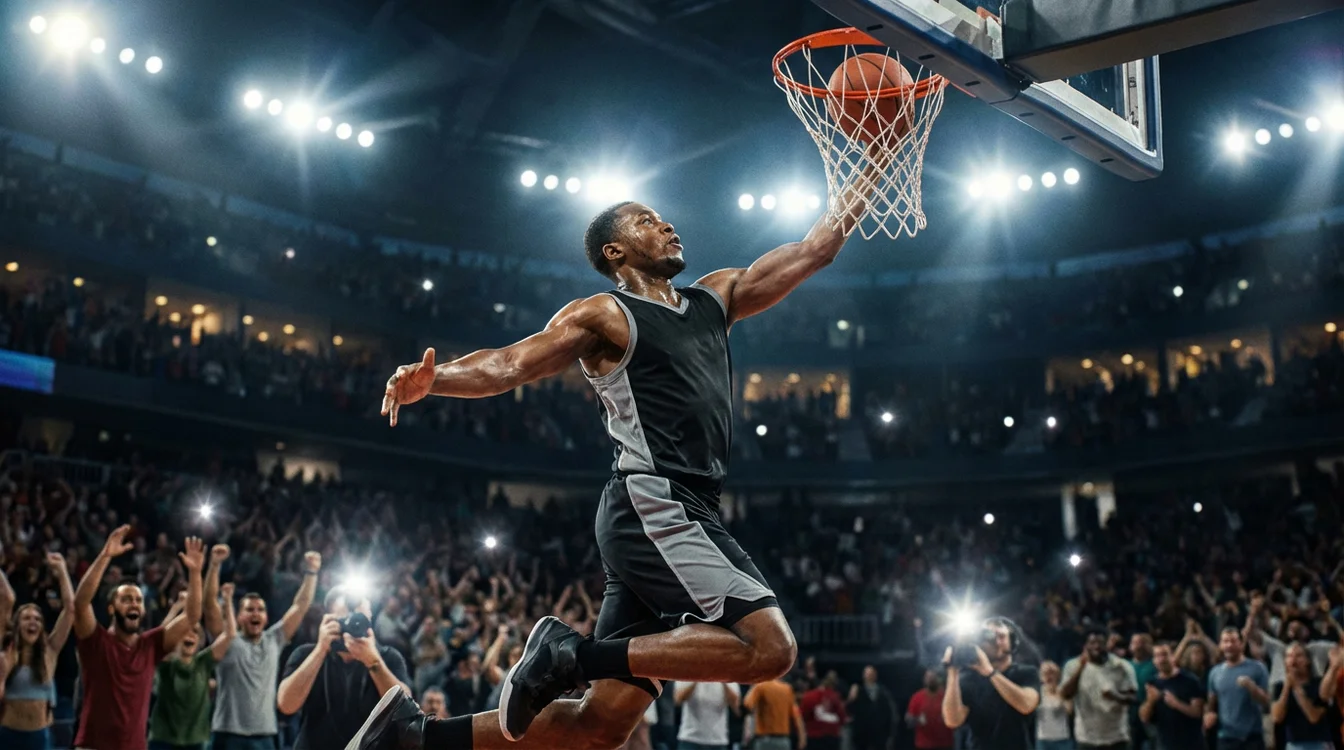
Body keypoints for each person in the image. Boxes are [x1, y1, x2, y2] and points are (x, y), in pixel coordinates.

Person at [351, 168, 880, 750]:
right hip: (655, 502)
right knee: (771, 648)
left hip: (678, 510)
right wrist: (438, 380)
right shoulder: (605, 314)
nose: (668, 224)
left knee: (597, 726)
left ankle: (415, 738)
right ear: (616, 249)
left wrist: (873, 163)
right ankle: (570, 656)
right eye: (647, 221)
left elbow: (815, 249)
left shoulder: (717, 296)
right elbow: (510, 364)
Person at [71, 529, 205, 750]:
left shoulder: (150, 645)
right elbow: (80, 604)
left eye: (138, 600)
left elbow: (192, 616)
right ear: (112, 608)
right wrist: (105, 556)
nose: (134, 603)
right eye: (126, 599)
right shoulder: (96, 641)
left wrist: (195, 573)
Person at [209, 546, 320, 750]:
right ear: (239, 616)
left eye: (260, 610)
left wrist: (311, 572)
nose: (255, 614)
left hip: (265, 737)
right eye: (249, 610)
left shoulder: (274, 640)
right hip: (227, 736)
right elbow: (210, 607)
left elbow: (300, 606)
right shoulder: (227, 640)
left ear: (266, 617)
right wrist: (215, 565)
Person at [276, 586, 411, 749]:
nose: (351, 626)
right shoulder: (306, 654)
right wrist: (321, 650)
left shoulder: (387, 657)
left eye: (359, 619)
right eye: (344, 620)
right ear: (327, 620)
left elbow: (405, 710)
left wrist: (374, 662)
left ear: (370, 619)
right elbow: (286, 705)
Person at [148, 584, 237, 750]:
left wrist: (227, 600)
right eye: (184, 631)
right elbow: (160, 637)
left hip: (196, 742)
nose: (189, 634)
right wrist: (177, 608)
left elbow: (230, 634)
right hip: (163, 741)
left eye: (195, 631)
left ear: (200, 640)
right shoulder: (167, 664)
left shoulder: (203, 662)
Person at [0, 554, 74, 750]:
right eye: (26, 618)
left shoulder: (50, 651)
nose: (32, 622)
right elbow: (7, 597)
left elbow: (70, 609)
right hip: (6, 735)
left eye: (37, 619)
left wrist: (62, 571)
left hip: (39, 738)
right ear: (16, 625)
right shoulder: (6, 651)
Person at [941, 617, 1041, 750]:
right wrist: (952, 674)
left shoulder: (1026, 673)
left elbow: (1026, 705)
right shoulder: (968, 679)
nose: (995, 642)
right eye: (988, 637)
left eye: (1001, 636)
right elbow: (952, 721)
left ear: (1013, 642)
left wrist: (990, 672)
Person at [1059, 629, 1138, 750]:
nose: (1096, 646)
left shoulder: (1122, 665)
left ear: (1108, 643)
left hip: (1117, 737)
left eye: (1100, 642)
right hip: (1087, 738)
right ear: (1085, 645)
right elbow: (1065, 694)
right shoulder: (1072, 665)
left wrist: (1115, 696)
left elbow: (1133, 698)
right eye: (1092, 643)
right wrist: (1081, 666)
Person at [1203, 627, 1270, 750]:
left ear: (1241, 643)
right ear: (1220, 645)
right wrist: (1209, 715)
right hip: (1226, 737)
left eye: (1233, 641)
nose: (1229, 645)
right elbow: (1211, 703)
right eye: (1225, 641)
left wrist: (1252, 687)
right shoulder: (1215, 672)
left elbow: (1266, 703)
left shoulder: (1257, 668)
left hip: (1252, 737)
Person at [1138, 642, 1203, 750]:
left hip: (1191, 743)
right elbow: (1144, 718)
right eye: (1158, 656)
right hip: (1164, 744)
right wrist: (1150, 701)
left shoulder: (1190, 680)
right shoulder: (1151, 683)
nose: (1162, 659)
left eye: (1165, 654)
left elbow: (1197, 712)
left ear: (1172, 657)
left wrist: (1176, 704)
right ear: (1154, 661)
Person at [1269, 643, 1331, 750]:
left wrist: (1297, 688)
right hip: (1293, 744)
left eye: (1298, 656)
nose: (1293, 660)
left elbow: (1314, 717)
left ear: (1308, 660)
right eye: (1289, 656)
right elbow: (1276, 718)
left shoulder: (1319, 684)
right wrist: (1287, 688)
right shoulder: (1279, 686)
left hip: (1319, 743)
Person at [744, 676, 807, 750]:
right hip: (783, 740)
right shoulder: (787, 689)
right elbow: (797, 716)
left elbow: (747, 705)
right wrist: (802, 738)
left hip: (764, 741)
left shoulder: (760, 687)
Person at [673, 682, 740, 750]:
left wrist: (722, 679)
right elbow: (678, 699)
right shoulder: (687, 673)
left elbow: (736, 708)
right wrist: (698, 678)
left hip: (718, 740)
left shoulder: (727, 674)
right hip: (690, 738)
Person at [905, 669, 953, 750]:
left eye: (933, 677)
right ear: (924, 680)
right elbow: (909, 722)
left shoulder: (947, 696)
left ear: (938, 679)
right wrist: (917, 720)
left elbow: (958, 720)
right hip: (924, 745)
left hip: (945, 744)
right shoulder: (917, 697)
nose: (931, 680)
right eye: (928, 677)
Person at [800, 672, 845, 750]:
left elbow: (802, 716)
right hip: (832, 738)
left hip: (814, 738)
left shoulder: (809, 696)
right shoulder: (835, 697)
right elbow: (842, 718)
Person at [1036, 662, 1074, 750]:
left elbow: (1069, 710)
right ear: (1041, 676)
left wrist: (1059, 694)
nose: (1049, 676)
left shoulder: (1063, 691)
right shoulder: (1037, 692)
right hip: (1043, 739)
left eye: (1051, 673)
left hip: (1062, 739)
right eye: (1045, 673)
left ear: (1057, 675)